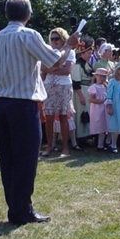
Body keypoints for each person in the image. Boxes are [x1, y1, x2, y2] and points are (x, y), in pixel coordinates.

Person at [0, 0, 80, 225]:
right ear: (28, 15)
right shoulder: (28, 35)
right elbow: (55, 61)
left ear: (7, 15)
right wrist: (68, 45)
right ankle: (22, 210)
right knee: (26, 159)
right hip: (23, 105)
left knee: (8, 159)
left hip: (2, 104)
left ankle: (14, 208)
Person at [41, 28, 76, 157]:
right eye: (52, 39)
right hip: (49, 85)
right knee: (49, 117)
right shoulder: (48, 52)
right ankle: (49, 146)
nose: (54, 41)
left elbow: (67, 70)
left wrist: (51, 68)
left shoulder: (70, 52)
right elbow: (42, 67)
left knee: (63, 116)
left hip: (63, 86)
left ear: (63, 39)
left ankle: (65, 147)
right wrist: (56, 67)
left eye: (57, 38)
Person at [71, 37, 94, 148]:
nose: (90, 55)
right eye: (89, 53)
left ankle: (86, 135)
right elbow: (75, 83)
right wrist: (81, 96)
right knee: (81, 114)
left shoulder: (88, 65)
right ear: (82, 53)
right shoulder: (77, 65)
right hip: (81, 91)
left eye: (91, 53)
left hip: (87, 91)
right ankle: (79, 137)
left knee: (87, 113)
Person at [87, 67, 109, 151]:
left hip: (104, 109)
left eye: (104, 76)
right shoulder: (94, 87)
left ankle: (104, 143)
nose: (102, 78)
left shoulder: (105, 87)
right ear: (96, 76)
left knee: (104, 125)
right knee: (99, 125)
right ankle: (99, 145)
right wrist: (102, 101)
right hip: (97, 109)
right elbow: (91, 99)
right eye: (100, 76)